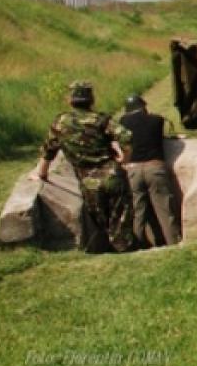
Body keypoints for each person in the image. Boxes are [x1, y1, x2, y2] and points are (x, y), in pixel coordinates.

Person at [31, 81, 135, 253]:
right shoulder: (101, 119)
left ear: (70, 99)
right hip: (113, 176)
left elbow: (48, 151)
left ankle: (104, 252)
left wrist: (41, 174)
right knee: (121, 220)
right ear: (91, 99)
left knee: (99, 223)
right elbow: (126, 137)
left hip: (88, 182)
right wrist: (125, 158)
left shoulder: (61, 122)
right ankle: (124, 250)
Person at [120, 94, 182, 247]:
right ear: (143, 106)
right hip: (155, 168)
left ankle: (137, 245)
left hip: (133, 170)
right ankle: (173, 242)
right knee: (165, 209)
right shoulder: (157, 120)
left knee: (138, 211)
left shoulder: (123, 122)